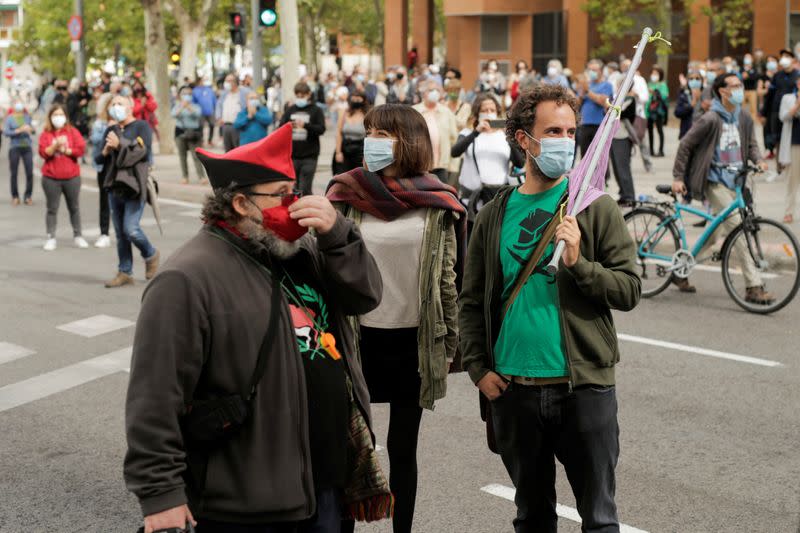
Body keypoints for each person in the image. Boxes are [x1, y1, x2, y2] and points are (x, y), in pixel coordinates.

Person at [125, 123, 390, 533]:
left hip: (326, 483)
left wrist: (339, 236)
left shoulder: (301, 251)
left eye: (296, 191)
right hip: (248, 502)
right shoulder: (187, 277)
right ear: (242, 204)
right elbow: (155, 397)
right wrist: (160, 493)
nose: (296, 204)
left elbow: (365, 297)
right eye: (283, 195)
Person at [459, 84, 640, 533]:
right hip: (514, 391)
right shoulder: (493, 215)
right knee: (532, 517)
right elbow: (470, 299)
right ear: (523, 139)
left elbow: (629, 289)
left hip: (583, 389)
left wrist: (580, 264)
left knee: (599, 520)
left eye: (570, 131)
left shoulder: (594, 209)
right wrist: (479, 368)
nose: (565, 140)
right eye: (552, 131)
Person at [327, 104, 465, 533]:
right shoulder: (345, 194)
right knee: (350, 447)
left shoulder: (438, 201)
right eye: (368, 131)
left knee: (403, 449)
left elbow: (450, 279)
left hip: (412, 342)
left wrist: (449, 345)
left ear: (408, 141)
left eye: (381, 133)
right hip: (355, 338)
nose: (370, 140)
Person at [672, 73, 774, 304]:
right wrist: (678, 177)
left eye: (740, 85)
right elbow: (685, 145)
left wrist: (758, 160)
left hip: (737, 183)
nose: (739, 89)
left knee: (715, 231)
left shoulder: (744, 117)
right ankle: (753, 285)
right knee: (737, 228)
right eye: (734, 86)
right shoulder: (710, 119)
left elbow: (751, 145)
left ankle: (680, 270)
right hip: (715, 182)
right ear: (722, 92)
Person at [98, 95, 159, 288]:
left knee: (131, 228)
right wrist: (106, 151)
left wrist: (119, 145)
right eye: (113, 104)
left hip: (134, 185)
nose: (116, 107)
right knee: (120, 233)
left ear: (131, 107)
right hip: (114, 186)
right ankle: (125, 271)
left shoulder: (141, 126)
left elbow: (142, 152)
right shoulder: (111, 129)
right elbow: (99, 159)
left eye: (120, 104)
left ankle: (150, 253)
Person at [452, 93, 525, 218]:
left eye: (492, 110)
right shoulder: (468, 132)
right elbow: (455, 152)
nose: (489, 113)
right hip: (471, 200)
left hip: (496, 198)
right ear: (477, 113)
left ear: (497, 112)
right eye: (484, 110)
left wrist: (508, 137)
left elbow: (519, 162)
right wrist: (476, 132)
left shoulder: (504, 136)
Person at [38, 104, 88, 252]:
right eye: (55, 115)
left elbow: (80, 149)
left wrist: (66, 149)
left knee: (74, 207)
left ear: (65, 117)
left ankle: (78, 235)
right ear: (50, 117)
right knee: (52, 208)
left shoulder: (72, 132)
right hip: (51, 177)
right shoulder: (46, 134)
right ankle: (51, 237)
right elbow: (43, 152)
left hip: (71, 177)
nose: (58, 118)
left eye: (61, 114)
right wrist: (54, 147)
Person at [279, 82, 327, 196]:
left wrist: (306, 125)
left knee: (305, 187)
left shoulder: (316, 110)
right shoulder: (291, 110)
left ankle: (307, 209)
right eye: (298, 96)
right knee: (293, 187)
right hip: (293, 155)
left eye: (302, 96)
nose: (300, 98)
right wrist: (289, 125)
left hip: (309, 156)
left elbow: (321, 129)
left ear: (308, 94)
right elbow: (280, 127)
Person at [413, 80, 458, 183]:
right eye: (431, 90)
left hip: (441, 166)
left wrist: (453, 166)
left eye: (437, 90)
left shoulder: (446, 112)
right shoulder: (414, 111)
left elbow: (454, 138)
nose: (435, 93)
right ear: (423, 93)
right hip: (419, 166)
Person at [577, 59, 613, 165]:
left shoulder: (606, 85)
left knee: (599, 157)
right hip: (585, 125)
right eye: (590, 70)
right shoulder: (587, 85)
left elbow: (603, 101)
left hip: (599, 125)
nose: (592, 72)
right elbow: (578, 103)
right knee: (585, 156)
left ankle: (602, 180)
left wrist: (588, 91)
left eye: (594, 70)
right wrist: (582, 93)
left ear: (601, 71)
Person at [89, 97, 114, 248]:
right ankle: (104, 233)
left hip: (122, 168)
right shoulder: (100, 124)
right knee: (104, 202)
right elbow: (95, 140)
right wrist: (108, 129)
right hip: (104, 167)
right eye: (113, 105)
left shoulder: (128, 124)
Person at [172, 86, 207, 185]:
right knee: (182, 156)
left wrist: (188, 106)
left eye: (189, 94)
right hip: (180, 133)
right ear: (180, 95)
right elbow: (174, 114)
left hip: (193, 133)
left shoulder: (196, 106)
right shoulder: (177, 105)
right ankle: (185, 176)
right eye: (184, 94)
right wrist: (182, 106)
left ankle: (201, 176)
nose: (187, 96)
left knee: (196, 156)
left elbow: (197, 114)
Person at [4, 99, 35, 206]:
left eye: (20, 103)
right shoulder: (9, 118)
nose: (19, 105)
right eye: (17, 103)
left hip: (27, 147)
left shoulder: (27, 117)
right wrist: (18, 130)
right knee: (14, 173)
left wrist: (30, 129)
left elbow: (33, 130)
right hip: (15, 147)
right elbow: (6, 132)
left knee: (30, 172)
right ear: (13, 105)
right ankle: (15, 196)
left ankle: (28, 196)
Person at [778, 75, 800, 223]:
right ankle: (789, 211)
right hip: (795, 143)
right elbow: (783, 116)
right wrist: (797, 104)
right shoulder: (788, 98)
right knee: (792, 180)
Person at [333, 90, 368, 176]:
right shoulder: (344, 112)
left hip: (360, 150)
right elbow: (339, 132)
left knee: (359, 177)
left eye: (358, 99)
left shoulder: (367, 114)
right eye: (354, 99)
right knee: (342, 176)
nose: (356, 101)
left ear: (363, 100)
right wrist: (338, 152)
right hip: (345, 148)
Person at [216, 73, 251, 152]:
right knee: (228, 152)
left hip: (238, 126)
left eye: (229, 81)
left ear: (235, 82)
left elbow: (248, 107)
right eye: (226, 81)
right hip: (225, 126)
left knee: (238, 151)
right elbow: (219, 105)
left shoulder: (244, 92)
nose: (227, 83)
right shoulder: (224, 94)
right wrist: (219, 117)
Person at [646, 66, 669, 157]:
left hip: (658, 111)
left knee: (660, 130)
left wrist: (655, 92)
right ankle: (651, 150)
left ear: (660, 75)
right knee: (650, 131)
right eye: (652, 73)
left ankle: (661, 150)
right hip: (649, 111)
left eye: (656, 74)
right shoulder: (649, 84)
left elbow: (664, 97)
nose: (653, 75)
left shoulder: (662, 85)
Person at [675, 71, 704, 139]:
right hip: (686, 133)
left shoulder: (706, 94)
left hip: (702, 133)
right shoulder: (683, 95)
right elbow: (677, 112)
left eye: (697, 79)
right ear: (687, 81)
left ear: (702, 81)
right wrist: (690, 106)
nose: (694, 81)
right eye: (691, 79)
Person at [193, 77, 218, 145]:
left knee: (212, 125)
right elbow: (194, 102)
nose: (203, 82)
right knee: (201, 126)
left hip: (210, 111)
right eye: (201, 81)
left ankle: (210, 140)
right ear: (198, 82)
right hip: (201, 112)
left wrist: (215, 108)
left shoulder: (209, 90)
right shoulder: (195, 90)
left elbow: (214, 99)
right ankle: (201, 140)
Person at [742, 53, 760, 119]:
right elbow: (740, 77)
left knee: (753, 108)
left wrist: (748, 76)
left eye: (749, 58)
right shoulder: (741, 69)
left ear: (752, 59)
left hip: (752, 90)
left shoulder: (754, 69)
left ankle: (753, 121)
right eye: (746, 57)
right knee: (742, 107)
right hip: (743, 90)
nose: (747, 59)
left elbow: (755, 77)